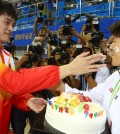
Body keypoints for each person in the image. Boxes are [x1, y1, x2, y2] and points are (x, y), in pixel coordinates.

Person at [0, 1, 106, 134]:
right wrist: (68, 69)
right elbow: (14, 81)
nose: (11, 28)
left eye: (13, 25)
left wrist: (26, 100)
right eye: (7, 22)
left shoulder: (6, 56)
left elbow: (8, 89)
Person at [65, 20, 120, 134]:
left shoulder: (106, 70)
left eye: (114, 41)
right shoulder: (114, 77)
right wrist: (61, 88)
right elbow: (91, 96)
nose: (110, 47)